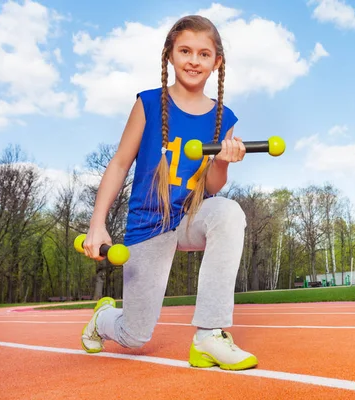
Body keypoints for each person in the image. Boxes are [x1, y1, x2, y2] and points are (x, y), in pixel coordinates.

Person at [80, 15, 257, 371]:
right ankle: (102, 318)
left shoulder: (225, 117)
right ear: (170, 56)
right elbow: (118, 165)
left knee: (228, 212)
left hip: (191, 217)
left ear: (216, 63)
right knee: (134, 336)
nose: (194, 60)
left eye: (204, 54)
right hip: (149, 225)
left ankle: (209, 335)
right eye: (185, 51)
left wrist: (223, 162)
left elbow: (212, 186)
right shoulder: (147, 104)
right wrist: (97, 224)